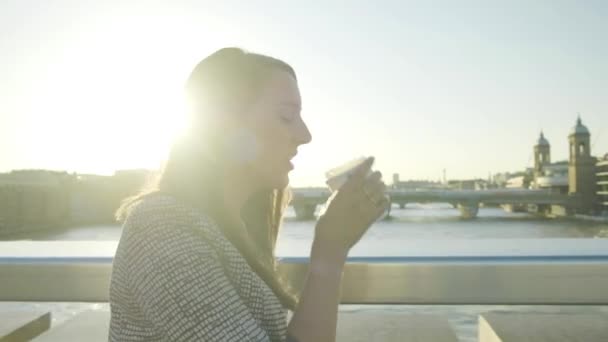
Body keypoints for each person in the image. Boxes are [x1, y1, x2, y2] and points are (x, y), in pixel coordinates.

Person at [109, 47, 389, 342]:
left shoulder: (225, 226)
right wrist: (328, 253)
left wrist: (331, 251)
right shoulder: (162, 232)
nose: (305, 135)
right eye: (286, 116)